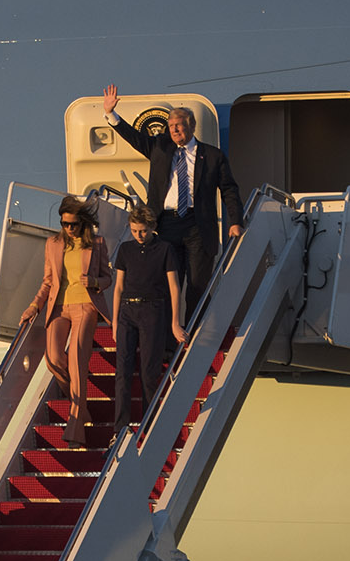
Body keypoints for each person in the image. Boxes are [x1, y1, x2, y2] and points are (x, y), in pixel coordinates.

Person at [102, 85, 242, 324]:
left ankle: (194, 333)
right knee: (168, 282)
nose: (174, 130)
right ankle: (168, 337)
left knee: (197, 284)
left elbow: (229, 189)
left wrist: (235, 222)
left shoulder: (212, 155)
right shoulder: (160, 147)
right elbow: (134, 138)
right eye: (171, 126)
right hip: (166, 224)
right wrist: (111, 114)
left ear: (191, 127)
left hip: (198, 225)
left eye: (179, 125)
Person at [19, 194, 111, 443]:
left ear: (83, 223)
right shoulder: (52, 244)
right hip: (59, 307)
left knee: (77, 361)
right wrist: (33, 306)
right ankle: (82, 406)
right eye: (65, 224)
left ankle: (75, 428)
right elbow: (48, 281)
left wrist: (94, 282)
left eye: (74, 224)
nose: (69, 229)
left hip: (85, 305)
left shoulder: (97, 243)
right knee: (53, 358)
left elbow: (108, 278)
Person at [108, 209, 185, 427]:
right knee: (122, 371)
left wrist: (175, 323)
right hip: (126, 312)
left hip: (153, 310)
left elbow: (174, 286)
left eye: (142, 231)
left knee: (149, 371)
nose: (138, 235)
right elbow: (119, 287)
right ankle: (120, 428)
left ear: (152, 228)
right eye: (134, 231)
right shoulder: (125, 249)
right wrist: (114, 321)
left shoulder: (164, 249)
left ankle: (150, 424)